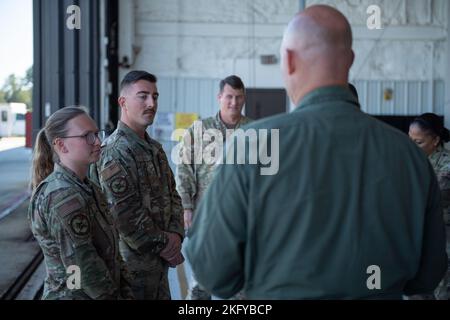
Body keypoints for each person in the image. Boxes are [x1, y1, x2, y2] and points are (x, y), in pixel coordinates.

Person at [185, 5, 448, 299]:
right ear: (349, 60)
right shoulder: (410, 157)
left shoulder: (254, 143)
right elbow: (428, 275)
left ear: (288, 60)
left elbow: (212, 270)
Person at [92, 70, 184, 300]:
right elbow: (123, 214)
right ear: (123, 102)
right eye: (143, 96)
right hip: (131, 273)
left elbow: (173, 196)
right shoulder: (115, 152)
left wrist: (176, 235)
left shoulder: (154, 148)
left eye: (155, 96)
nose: (151, 103)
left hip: (159, 271)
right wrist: (167, 245)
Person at [29, 106, 134, 300]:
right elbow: (84, 266)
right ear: (61, 145)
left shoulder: (88, 187)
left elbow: (111, 253)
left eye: (96, 134)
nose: (98, 142)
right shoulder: (62, 196)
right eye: (87, 136)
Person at [176, 75, 252, 300]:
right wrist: (186, 206)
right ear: (219, 97)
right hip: (205, 216)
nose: (234, 102)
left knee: (242, 282)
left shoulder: (255, 131)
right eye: (229, 96)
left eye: (239, 97)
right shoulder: (199, 129)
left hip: (242, 219)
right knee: (202, 281)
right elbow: (184, 169)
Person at [408, 113, 450, 299]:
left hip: (444, 240)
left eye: (418, 142)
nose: (412, 146)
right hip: (415, 239)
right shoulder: (409, 163)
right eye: (409, 140)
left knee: (441, 292)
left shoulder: (447, 166)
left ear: (435, 140)